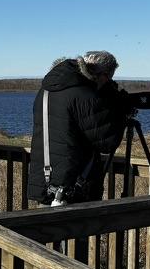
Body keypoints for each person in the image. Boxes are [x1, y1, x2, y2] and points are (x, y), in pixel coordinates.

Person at [27, 51, 127, 206]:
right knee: (75, 229)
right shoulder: (85, 96)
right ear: (102, 75)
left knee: (44, 229)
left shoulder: (46, 91)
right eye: (108, 78)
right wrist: (117, 109)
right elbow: (108, 142)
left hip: (44, 183)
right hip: (73, 188)